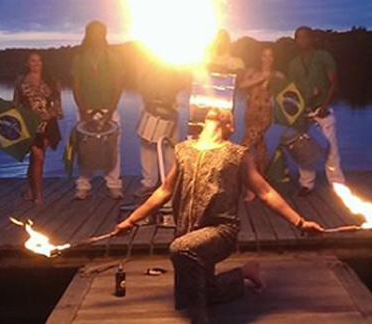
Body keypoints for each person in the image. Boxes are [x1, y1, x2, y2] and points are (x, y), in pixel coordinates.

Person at [110, 107, 324, 324]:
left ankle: (200, 320)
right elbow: (164, 191)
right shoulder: (183, 150)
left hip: (220, 231)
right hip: (186, 231)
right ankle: (244, 273)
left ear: (230, 127)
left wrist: (300, 222)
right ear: (204, 121)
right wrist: (130, 220)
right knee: (191, 294)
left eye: (226, 114)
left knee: (181, 249)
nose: (217, 111)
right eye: (213, 111)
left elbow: (266, 192)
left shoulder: (237, 154)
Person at [283, 27, 344, 195]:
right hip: (304, 111)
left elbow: (333, 82)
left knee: (331, 149)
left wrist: (324, 105)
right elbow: (292, 91)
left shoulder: (324, 57)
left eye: (305, 37)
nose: (302, 40)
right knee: (304, 150)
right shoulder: (293, 63)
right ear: (296, 40)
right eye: (299, 38)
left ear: (311, 39)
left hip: (322, 110)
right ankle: (306, 184)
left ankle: (337, 183)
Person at [71, 21, 125, 200]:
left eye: (100, 32)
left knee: (112, 147)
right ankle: (83, 185)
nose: (96, 36)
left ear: (104, 34)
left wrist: (110, 109)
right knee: (85, 147)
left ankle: (114, 184)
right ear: (88, 34)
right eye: (93, 33)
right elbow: (76, 85)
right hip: (85, 109)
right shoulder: (79, 57)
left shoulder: (114, 56)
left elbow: (118, 85)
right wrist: (82, 110)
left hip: (109, 108)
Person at [13, 52, 63, 204]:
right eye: (33, 61)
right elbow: (15, 104)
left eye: (39, 61)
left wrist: (50, 113)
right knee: (38, 158)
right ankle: (38, 194)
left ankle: (30, 189)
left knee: (36, 159)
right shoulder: (20, 80)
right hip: (30, 124)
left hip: (48, 124)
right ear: (27, 63)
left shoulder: (51, 81)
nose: (37, 64)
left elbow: (58, 104)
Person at [136, 63, 189, 197]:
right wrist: (149, 102)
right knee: (147, 147)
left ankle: (169, 183)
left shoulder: (177, 65)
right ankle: (149, 183)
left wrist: (170, 103)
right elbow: (142, 81)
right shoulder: (148, 62)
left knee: (170, 148)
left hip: (170, 107)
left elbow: (183, 81)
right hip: (150, 105)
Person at [237, 46, 281, 199]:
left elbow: (289, 93)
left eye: (270, 56)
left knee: (243, 148)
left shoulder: (277, 75)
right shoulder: (252, 72)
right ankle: (262, 184)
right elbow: (241, 85)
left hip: (265, 116)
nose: (267, 59)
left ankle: (251, 187)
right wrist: (262, 77)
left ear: (274, 58)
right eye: (264, 55)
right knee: (260, 147)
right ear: (260, 57)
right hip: (250, 113)